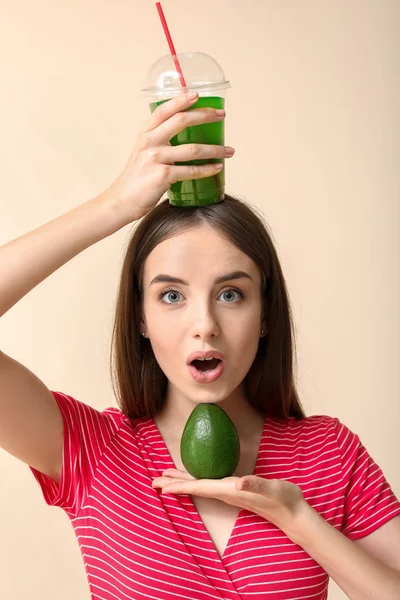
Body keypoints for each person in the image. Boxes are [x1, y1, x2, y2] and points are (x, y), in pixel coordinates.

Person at [1, 91, 399, 600]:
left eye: (231, 294)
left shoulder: (328, 454)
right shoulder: (94, 452)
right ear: (140, 319)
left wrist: (297, 517)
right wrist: (115, 205)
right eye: (171, 295)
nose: (205, 324)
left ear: (265, 317)